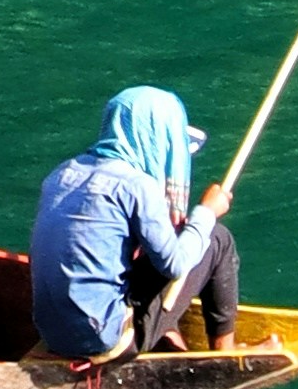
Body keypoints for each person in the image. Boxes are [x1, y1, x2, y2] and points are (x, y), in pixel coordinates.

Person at [30, 85, 239, 361]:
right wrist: (206, 212)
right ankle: (226, 352)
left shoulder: (62, 173)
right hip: (103, 339)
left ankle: (168, 331)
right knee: (216, 239)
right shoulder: (136, 186)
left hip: (51, 333)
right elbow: (174, 265)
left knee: (150, 254)